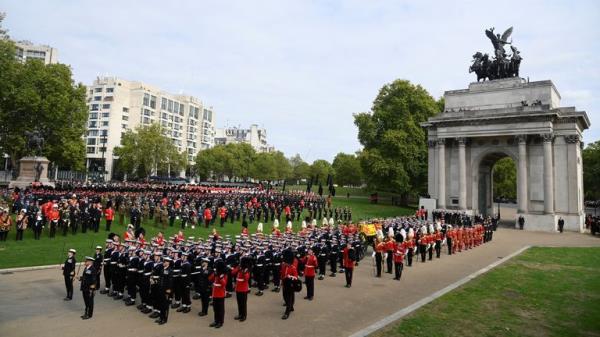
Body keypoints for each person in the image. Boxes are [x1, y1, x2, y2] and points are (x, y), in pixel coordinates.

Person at [210, 259, 227, 328]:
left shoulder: (224, 274)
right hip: (215, 293)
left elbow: (224, 284)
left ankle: (220, 321)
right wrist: (214, 274)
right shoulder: (216, 273)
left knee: (220, 309)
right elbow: (210, 279)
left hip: (220, 294)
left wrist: (220, 277)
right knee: (215, 308)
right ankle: (216, 320)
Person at [281, 249, 298, 320]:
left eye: (286, 262)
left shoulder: (293, 268)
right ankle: (291, 306)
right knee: (285, 296)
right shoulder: (284, 266)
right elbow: (282, 275)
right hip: (284, 284)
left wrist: (290, 277)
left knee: (289, 298)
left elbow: (296, 277)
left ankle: (287, 313)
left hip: (290, 284)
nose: (285, 263)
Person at [233, 256, 251, 322]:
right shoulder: (239, 268)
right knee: (239, 302)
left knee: (243, 303)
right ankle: (240, 314)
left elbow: (246, 279)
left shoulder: (247, 270)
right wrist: (238, 268)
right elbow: (233, 272)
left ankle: (244, 316)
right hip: (238, 288)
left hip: (243, 289)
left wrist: (244, 271)